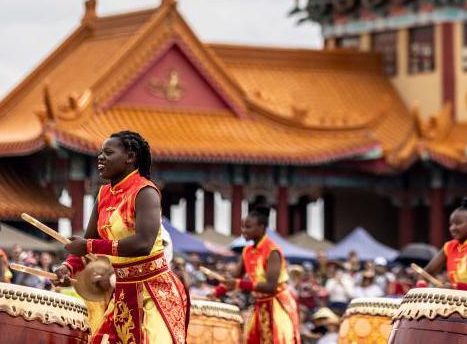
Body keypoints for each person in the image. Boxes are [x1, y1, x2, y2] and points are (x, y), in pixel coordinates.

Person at [55, 130, 190, 344]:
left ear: (130, 157)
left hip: (153, 291)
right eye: (100, 152)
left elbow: (143, 244)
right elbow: (89, 239)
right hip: (123, 292)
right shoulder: (103, 194)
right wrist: (68, 266)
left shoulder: (146, 192)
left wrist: (88, 245)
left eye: (108, 152)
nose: (100, 157)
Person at [215, 206, 300, 344]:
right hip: (261, 304)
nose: (243, 231)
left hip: (277, 303)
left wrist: (238, 284)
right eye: (242, 227)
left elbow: (271, 286)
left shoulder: (272, 251)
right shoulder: (247, 251)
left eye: (248, 227)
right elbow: (234, 279)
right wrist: (215, 292)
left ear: (261, 227)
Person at [423, 197, 467, 293]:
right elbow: (427, 272)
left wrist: (457, 287)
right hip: (456, 299)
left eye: (458, 223)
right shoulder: (449, 246)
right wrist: (421, 283)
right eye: (451, 224)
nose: (452, 228)